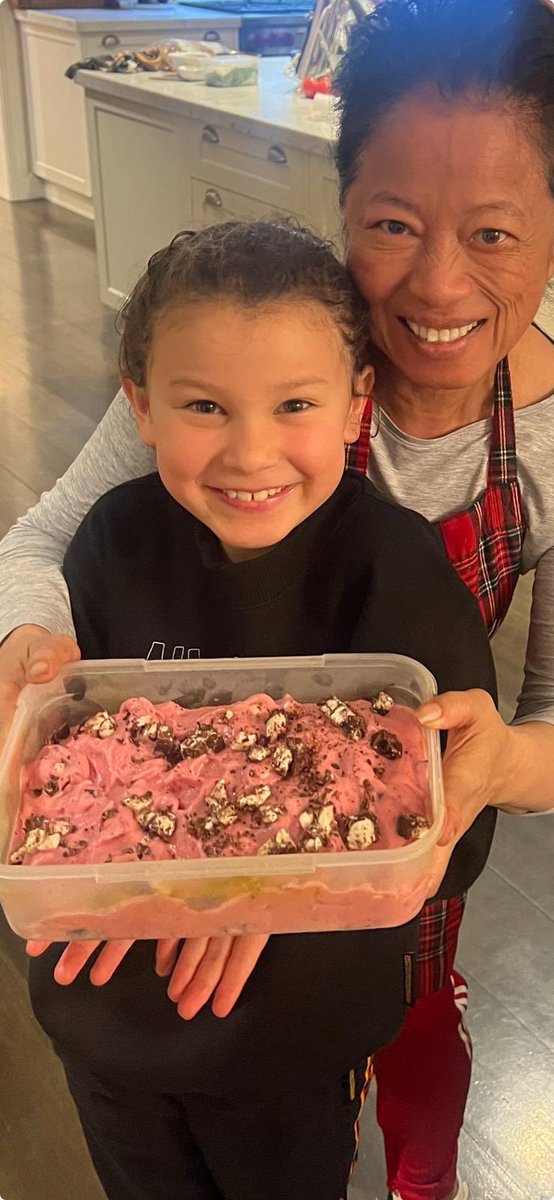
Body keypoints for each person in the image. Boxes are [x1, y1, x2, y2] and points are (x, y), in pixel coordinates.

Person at [0, 0, 553, 1197]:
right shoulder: (245, 344)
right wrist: (36, 653)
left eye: (495, 232)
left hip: (414, 808)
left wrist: (455, 782)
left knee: (388, 1050)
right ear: (341, 202)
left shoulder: (500, 482)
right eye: (393, 224)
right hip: (180, 858)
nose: (439, 281)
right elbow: (48, 542)